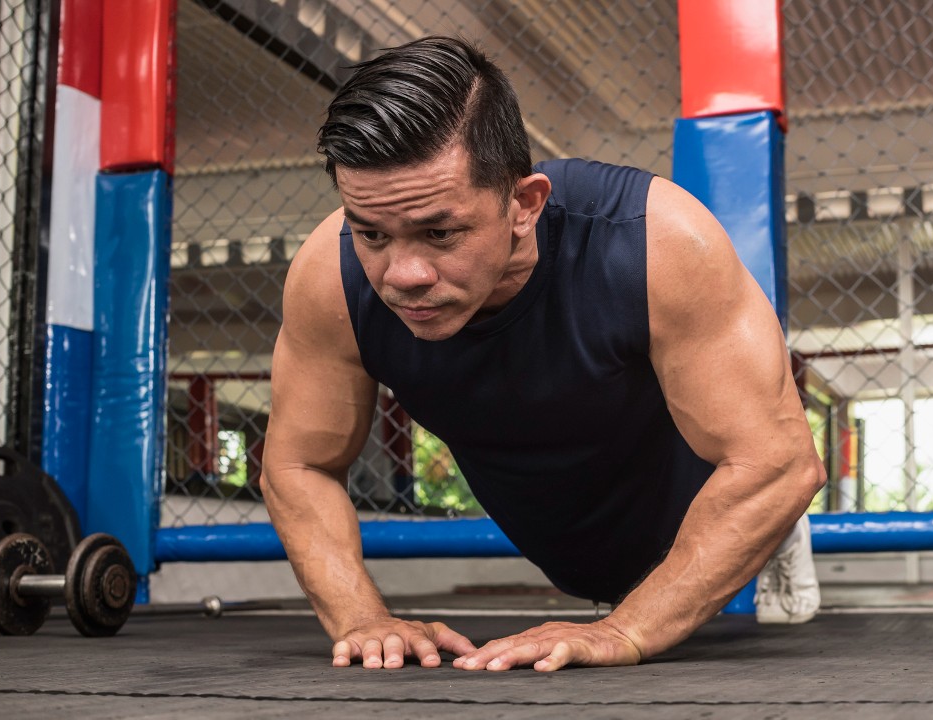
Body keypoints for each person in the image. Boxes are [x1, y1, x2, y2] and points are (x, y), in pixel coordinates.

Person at [262, 36, 825, 674]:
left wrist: (627, 629)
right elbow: (299, 463)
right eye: (371, 234)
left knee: (759, 436)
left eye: (440, 232)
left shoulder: (654, 243)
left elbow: (776, 461)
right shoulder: (329, 279)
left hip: (697, 498)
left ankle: (776, 532)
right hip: (567, 538)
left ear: (524, 204)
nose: (403, 274)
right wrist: (360, 619)